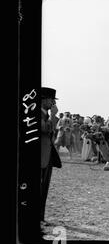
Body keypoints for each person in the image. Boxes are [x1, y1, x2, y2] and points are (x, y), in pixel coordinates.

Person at [40, 87, 62, 234]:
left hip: (46, 157)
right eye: (51, 100)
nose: (53, 103)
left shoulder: (46, 114)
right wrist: (54, 116)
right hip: (40, 156)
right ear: (42, 99)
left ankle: (39, 217)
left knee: (43, 189)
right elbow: (45, 129)